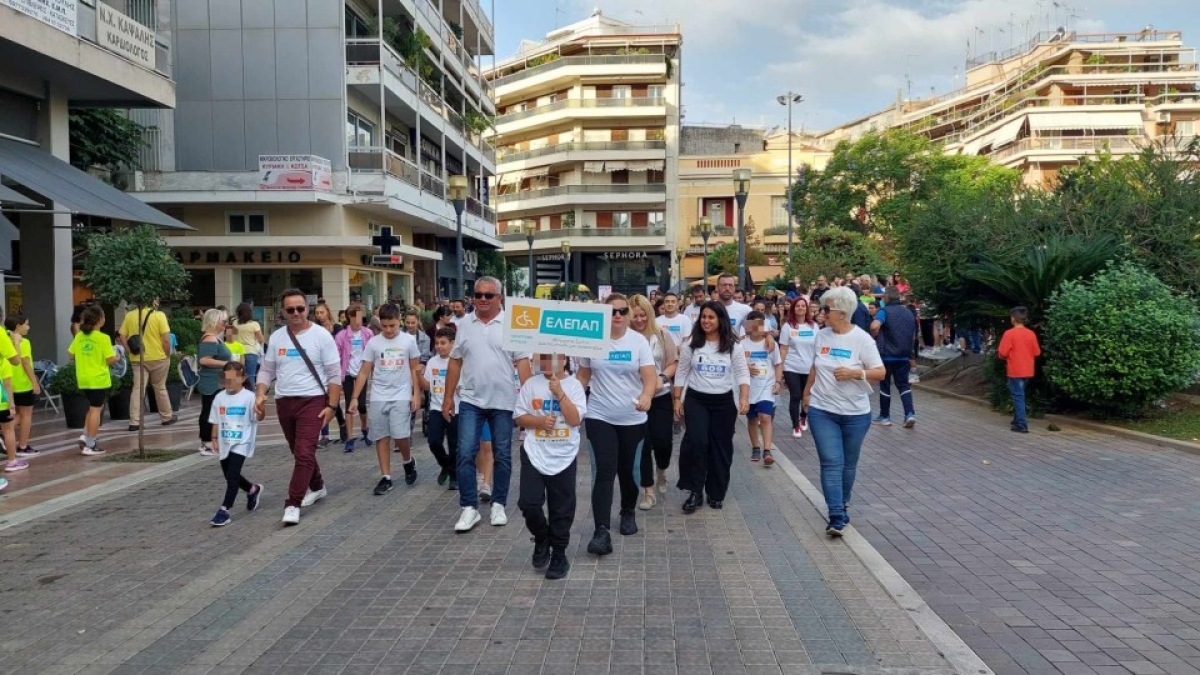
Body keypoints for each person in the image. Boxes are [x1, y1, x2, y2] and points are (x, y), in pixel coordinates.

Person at [442, 277, 532, 532]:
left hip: (503, 401)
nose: (482, 299)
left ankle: (498, 504)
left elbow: (523, 363)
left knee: (503, 454)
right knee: (465, 452)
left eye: (488, 295)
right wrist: (448, 398)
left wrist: (529, 401)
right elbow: (455, 361)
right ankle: (469, 507)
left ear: (499, 298)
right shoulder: (464, 325)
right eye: (478, 294)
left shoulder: (513, 323)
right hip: (471, 399)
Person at [577, 293, 657, 554]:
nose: (619, 316)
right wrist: (569, 401)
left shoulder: (638, 342)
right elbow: (583, 376)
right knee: (604, 469)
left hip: (632, 417)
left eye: (623, 311)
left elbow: (650, 377)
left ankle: (627, 511)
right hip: (600, 415)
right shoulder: (592, 341)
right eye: (613, 312)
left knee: (627, 470)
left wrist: (646, 396)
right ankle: (601, 530)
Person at [802, 287, 886, 536]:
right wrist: (806, 394)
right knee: (831, 462)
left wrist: (855, 373)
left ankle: (843, 501)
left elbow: (880, 372)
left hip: (856, 414)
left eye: (826, 309)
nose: (821, 313)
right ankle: (836, 515)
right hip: (822, 409)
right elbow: (815, 367)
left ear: (841, 312)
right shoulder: (821, 336)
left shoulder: (862, 339)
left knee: (848, 465)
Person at [255, 289, 343, 526]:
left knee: (304, 452)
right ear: (283, 312)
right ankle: (317, 485)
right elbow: (267, 369)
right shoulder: (277, 337)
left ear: (308, 309)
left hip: (313, 400)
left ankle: (292, 503)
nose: (296, 313)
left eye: (300, 308)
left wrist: (332, 406)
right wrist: (261, 392)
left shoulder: (321, 336)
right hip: (284, 401)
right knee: (298, 450)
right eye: (290, 309)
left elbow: (335, 374)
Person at [514, 352, 586, 580]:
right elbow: (519, 417)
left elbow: (575, 420)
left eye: (553, 358)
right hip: (534, 451)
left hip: (564, 453)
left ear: (565, 360)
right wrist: (538, 422)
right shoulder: (531, 385)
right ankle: (542, 536)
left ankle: (559, 553)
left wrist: (560, 393)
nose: (547, 363)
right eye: (542, 357)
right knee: (528, 502)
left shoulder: (574, 386)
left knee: (561, 507)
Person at [673, 301, 749, 512]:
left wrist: (744, 397)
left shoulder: (733, 346)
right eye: (703, 317)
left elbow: (742, 373)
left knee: (720, 448)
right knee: (697, 442)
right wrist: (677, 399)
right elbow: (681, 372)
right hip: (696, 400)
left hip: (724, 402)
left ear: (720, 320)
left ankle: (716, 492)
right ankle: (695, 491)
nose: (706, 321)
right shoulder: (691, 344)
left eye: (711, 317)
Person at [352, 303, 423, 495]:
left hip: (401, 393)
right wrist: (354, 398)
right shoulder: (374, 343)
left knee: (400, 434)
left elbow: (415, 369)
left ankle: (408, 460)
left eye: (392, 325)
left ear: (399, 321)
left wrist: (416, 394)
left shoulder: (408, 341)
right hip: (378, 395)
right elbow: (364, 371)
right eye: (385, 326)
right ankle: (386, 476)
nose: (389, 330)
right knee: (381, 436)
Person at [628, 294, 677, 508]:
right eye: (634, 316)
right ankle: (648, 491)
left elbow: (673, 362)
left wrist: (662, 378)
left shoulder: (661, 334)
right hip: (636, 399)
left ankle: (662, 469)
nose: (639, 320)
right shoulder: (624, 338)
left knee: (663, 442)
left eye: (642, 316)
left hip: (660, 396)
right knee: (644, 444)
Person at [208, 362, 265, 527]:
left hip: (242, 441)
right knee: (230, 475)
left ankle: (224, 510)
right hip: (225, 442)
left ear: (243, 378)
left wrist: (261, 409)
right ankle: (253, 489)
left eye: (233, 379)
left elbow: (258, 418)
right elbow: (215, 420)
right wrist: (214, 438)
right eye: (227, 379)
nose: (230, 383)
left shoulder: (249, 397)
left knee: (232, 476)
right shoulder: (219, 397)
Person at [118, 298, 175, 431]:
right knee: (160, 387)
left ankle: (134, 421)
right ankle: (166, 417)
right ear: (153, 301)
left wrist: (129, 351)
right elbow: (166, 340)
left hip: (138, 358)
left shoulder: (130, 315)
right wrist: (167, 355)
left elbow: (122, 336)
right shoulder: (159, 315)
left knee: (138, 389)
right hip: (158, 357)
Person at [70, 305, 120, 456]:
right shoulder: (103, 338)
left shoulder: (79, 336)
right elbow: (110, 359)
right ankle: (90, 444)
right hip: (98, 378)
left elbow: (71, 355)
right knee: (96, 411)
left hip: (83, 378)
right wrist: (117, 357)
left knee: (92, 409)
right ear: (100, 320)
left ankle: (85, 435)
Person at [871, 286, 918, 428]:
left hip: (887, 355)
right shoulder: (908, 312)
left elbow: (874, 326)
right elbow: (914, 334)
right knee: (904, 385)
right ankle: (909, 414)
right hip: (904, 355)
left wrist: (875, 336)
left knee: (885, 385)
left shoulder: (884, 311)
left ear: (886, 298)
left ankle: (885, 417)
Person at [743, 311, 783, 466]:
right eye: (752, 323)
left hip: (766, 385)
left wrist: (778, 382)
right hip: (749, 388)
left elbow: (778, 364)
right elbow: (735, 365)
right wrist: (746, 368)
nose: (755, 326)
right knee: (752, 418)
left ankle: (767, 450)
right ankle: (755, 447)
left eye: (759, 323)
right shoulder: (741, 344)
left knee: (765, 417)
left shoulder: (771, 344)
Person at [422, 326, 459, 490]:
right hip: (436, 407)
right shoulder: (432, 362)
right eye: (437, 343)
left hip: (455, 409)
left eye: (443, 343)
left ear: (452, 343)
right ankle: (446, 465)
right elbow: (427, 385)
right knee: (434, 441)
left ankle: (455, 477)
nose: (439, 346)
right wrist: (417, 375)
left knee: (454, 443)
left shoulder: (458, 360)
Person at [336, 307, 373, 452]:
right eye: (355, 318)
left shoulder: (367, 333)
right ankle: (350, 438)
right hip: (348, 374)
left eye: (360, 317)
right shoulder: (341, 336)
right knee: (349, 407)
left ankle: (365, 427)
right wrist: (338, 378)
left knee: (362, 405)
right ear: (348, 318)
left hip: (362, 374)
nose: (358, 321)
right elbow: (337, 357)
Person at [998, 306, 1040, 434]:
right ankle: (1017, 420)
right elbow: (1037, 352)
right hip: (1028, 369)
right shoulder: (1031, 334)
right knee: (1019, 395)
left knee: (1018, 396)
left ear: (1013, 319)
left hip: (1015, 369)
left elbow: (1002, 352)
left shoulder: (1009, 334)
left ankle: (1021, 423)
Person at [197, 309, 233, 457]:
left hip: (216, 381)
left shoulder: (214, 338)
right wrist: (226, 363)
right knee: (209, 412)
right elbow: (204, 360)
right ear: (214, 321)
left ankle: (212, 441)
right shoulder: (210, 339)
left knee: (214, 412)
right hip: (211, 382)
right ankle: (207, 442)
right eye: (223, 321)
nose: (225, 324)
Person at [780, 297, 817, 438]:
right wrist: (781, 368)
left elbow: (818, 346)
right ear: (793, 308)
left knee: (805, 395)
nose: (800, 308)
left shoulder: (813, 326)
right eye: (797, 306)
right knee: (795, 396)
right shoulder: (787, 326)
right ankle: (795, 425)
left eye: (803, 306)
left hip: (809, 367)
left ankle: (803, 416)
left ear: (807, 308)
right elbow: (783, 348)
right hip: (791, 366)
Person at [6, 315, 42, 457]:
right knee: (26, 414)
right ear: (17, 326)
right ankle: (22, 445)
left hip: (8, 383)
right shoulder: (24, 342)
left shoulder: (5, 340)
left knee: (14, 413)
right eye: (26, 324)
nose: (28, 327)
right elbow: (26, 363)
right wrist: (34, 382)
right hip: (23, 384)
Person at [313, 303, 348, 447]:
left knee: (333, 401)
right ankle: (324, 434)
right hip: (320, 369)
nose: (319, 315)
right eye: (317, 313)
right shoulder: (314, 330)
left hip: (334, 367)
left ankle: (342, 423)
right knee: (323, 400)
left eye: (322, 312)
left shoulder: (337, 328)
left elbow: (341, 348)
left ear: (328, 312)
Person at [233, 303, 265, 383]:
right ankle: (251, 394)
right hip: (251, 352)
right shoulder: (254, 324)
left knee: (237, 376)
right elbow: (261, 339)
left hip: (237, 353)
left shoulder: (235, 323)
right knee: (250, 376)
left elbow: (233, 338)